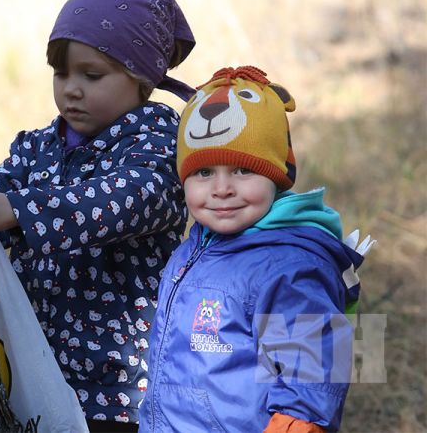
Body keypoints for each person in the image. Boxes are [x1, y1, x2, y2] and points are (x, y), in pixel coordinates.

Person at [0, 0, 196, 432]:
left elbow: (128, 199)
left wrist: (20, 209)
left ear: (141, 77)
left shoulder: (158, 145)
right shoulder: (37, 147)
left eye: (91, 75)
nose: (71, 89)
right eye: (61, 74)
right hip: (38, 370)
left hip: (119, 388)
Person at [138, 66, 366, 432]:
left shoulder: (291, 266)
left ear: (277, 175)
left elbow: (312, 386)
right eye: (204, 172)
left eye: (243, 170)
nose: (222, 188)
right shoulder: (197, 246)